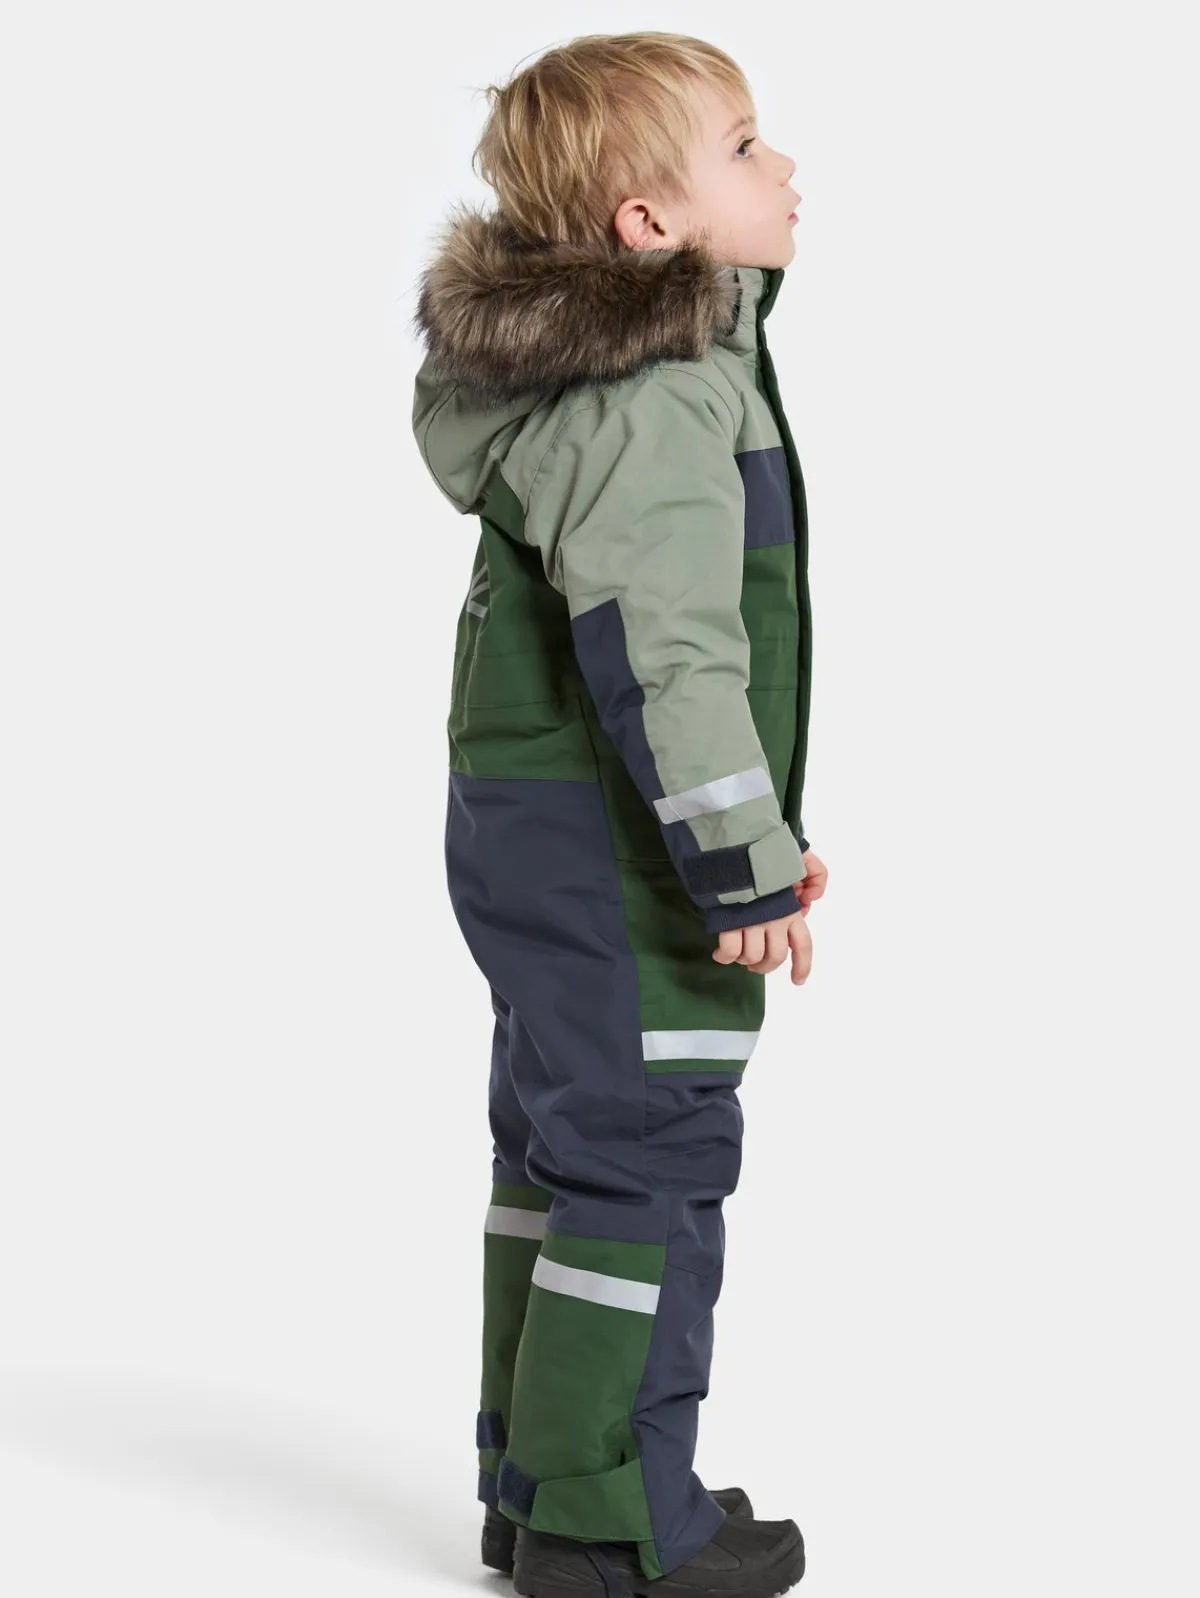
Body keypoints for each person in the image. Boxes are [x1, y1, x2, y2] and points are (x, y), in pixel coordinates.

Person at [410, 30, 827, 1598]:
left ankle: (540, 1483)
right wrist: (744, 863)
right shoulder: (654, 400)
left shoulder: (594, 388)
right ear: (650, 224)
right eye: (744, 147)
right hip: (614, 838)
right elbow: (672, 661)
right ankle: (609, 1526)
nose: (785, 168)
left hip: (543, 824)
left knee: (563, 1143)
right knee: (648, 1149)